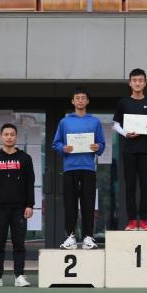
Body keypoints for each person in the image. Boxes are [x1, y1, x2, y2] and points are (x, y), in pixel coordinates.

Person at [51, 87, 106, 250]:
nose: (80, 100)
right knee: (70, 203)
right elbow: (56, 143)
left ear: (87, 101)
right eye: (77, 98)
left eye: (83, 98)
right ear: (72, 101)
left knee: (88, 203)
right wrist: (63, 148)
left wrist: (97, 147)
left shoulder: (95, 121)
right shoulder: (65, 121)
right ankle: (70, 237)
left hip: (88, 167)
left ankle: (88, 237)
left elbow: (102, 144)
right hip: (70, 168)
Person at [0, 123, 36, 287]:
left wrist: (30, 205)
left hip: (19, 208)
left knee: (19, 243)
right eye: (6, 134)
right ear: (1, 137)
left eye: (12, 134)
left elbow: (30, 183)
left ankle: (19, 276)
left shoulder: (25, 158)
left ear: (16, 137)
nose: (9, 137)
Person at [112, 68, 147, 231]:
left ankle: (145, 219)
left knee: (146, 186)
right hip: (129, 149)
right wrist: (125, 133)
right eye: (134, 80)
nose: (137, 83)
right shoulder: (123, 102)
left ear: (145, 83)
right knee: (130, 186)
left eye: (140, 80)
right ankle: (132, 220)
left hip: (146, 149)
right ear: (130, 83)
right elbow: (115, 125)